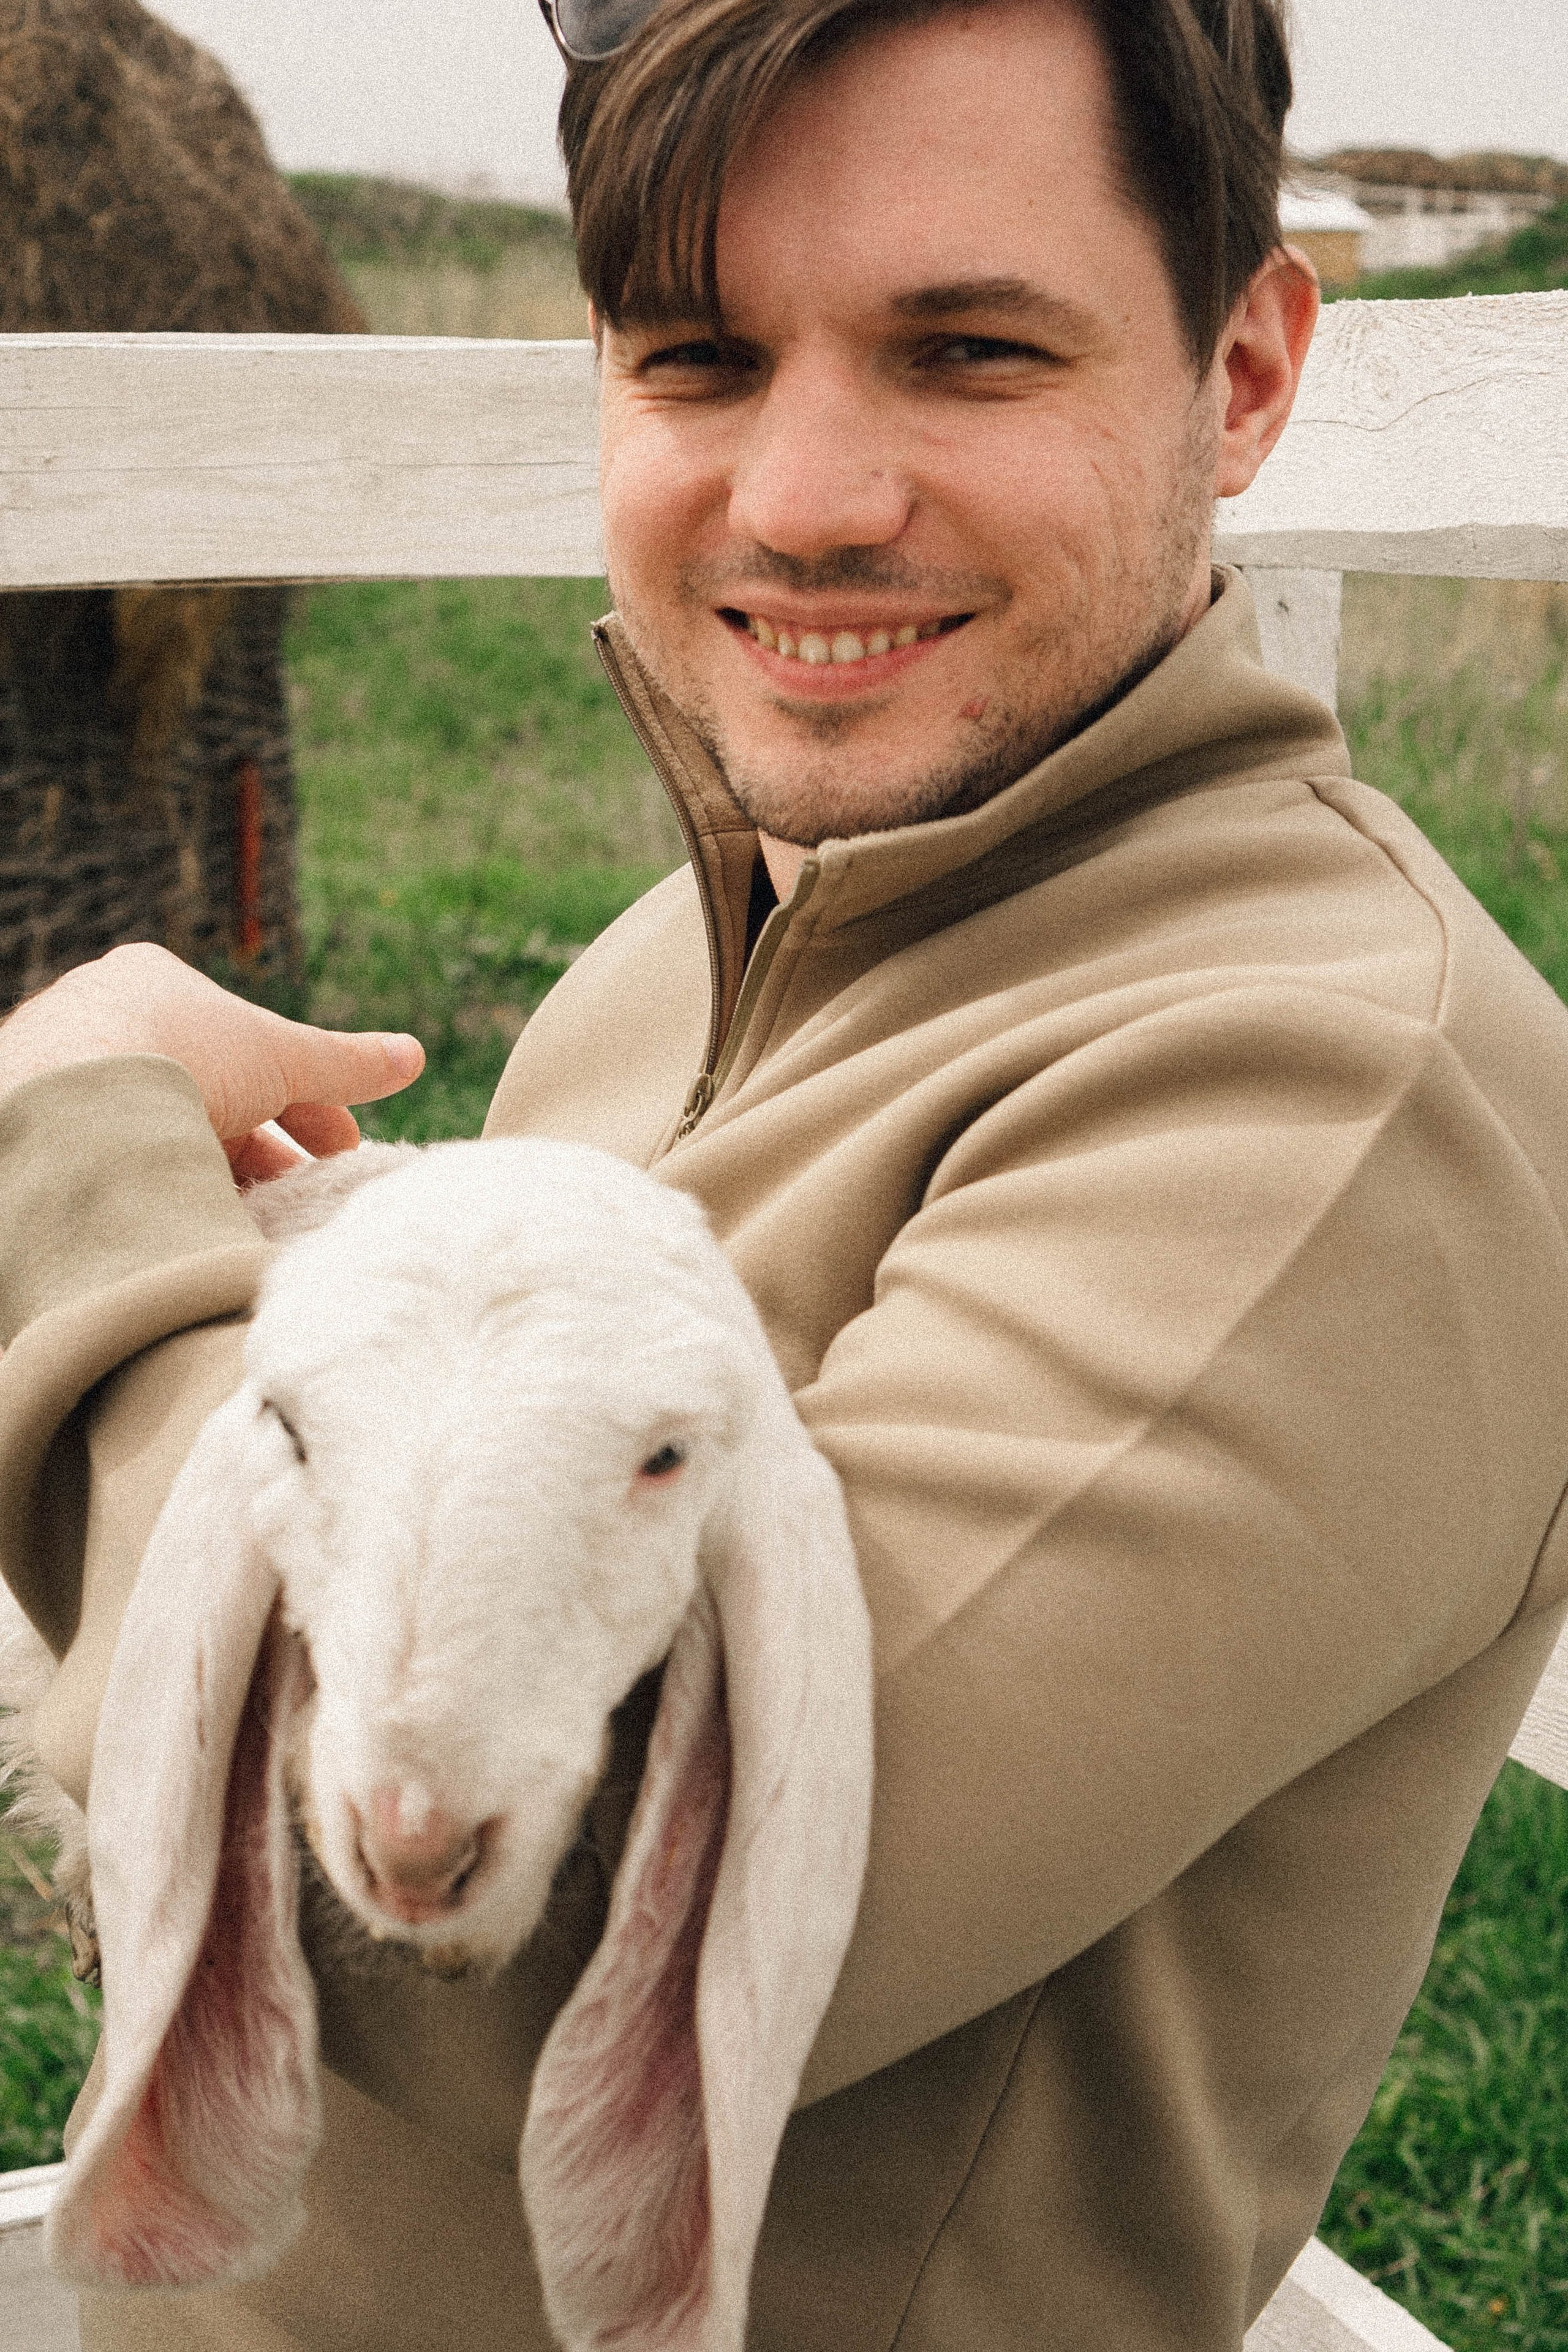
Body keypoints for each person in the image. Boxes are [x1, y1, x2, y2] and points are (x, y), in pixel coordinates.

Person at [4, 0, 1568, 2344]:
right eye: (700, 356)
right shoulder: (699, 942)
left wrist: (80, 1196)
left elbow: (501, 1942)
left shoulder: (1339, 1093)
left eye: (967, 352)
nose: (807, 492)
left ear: (1243, 375)